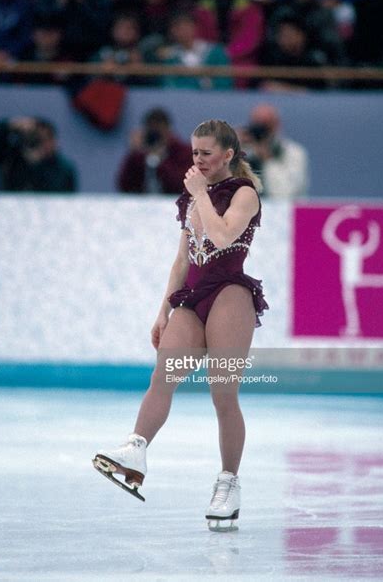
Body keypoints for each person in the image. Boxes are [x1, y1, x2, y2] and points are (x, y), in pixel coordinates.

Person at [94, 119, 269, 531]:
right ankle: (136, 449)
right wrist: (163, 311)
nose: (198, 160)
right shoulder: (193, 198)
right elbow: (183, 259)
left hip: (229, 293)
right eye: (194, 152)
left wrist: (200, 196)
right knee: (163, 376)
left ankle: (229, 483)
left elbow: (224, 237)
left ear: (228, 155)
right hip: (192, 299)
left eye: (206, 153)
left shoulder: (244, 193)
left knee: (222, 393)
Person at [0, 116, 78, 192]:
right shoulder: (15, 159)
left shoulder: (63, 169)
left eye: (46, 139)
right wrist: (13, 125)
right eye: (37, 139)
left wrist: (38, 165)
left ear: (54, 141)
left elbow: (62, 198)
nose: (42, 144)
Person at [239, 103, 309, 198]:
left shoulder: (293, 152)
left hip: (282, 210)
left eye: (266, 125)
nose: (261, 131)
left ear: (277, 125)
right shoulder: (244, 151)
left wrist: (267, 159)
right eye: (256, 125)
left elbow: (286, 194)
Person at [117, 108, 192, 194]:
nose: (155, 136)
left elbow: (181, 185)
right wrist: (134, 154)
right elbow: (124, 187)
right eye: (152, 131)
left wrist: (160, 162)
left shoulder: (182, 152)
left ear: (168, 130)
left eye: (159, 131)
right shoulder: (138, 155)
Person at [159, 11, 233, 90]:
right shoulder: (169, 56)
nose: (183, 31)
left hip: (215, 99)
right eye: (178, 28)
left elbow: (225, 83)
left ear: (194, 27)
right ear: (172, 31)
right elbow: (169, 85)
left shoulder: (216, 52)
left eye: (187, 26)